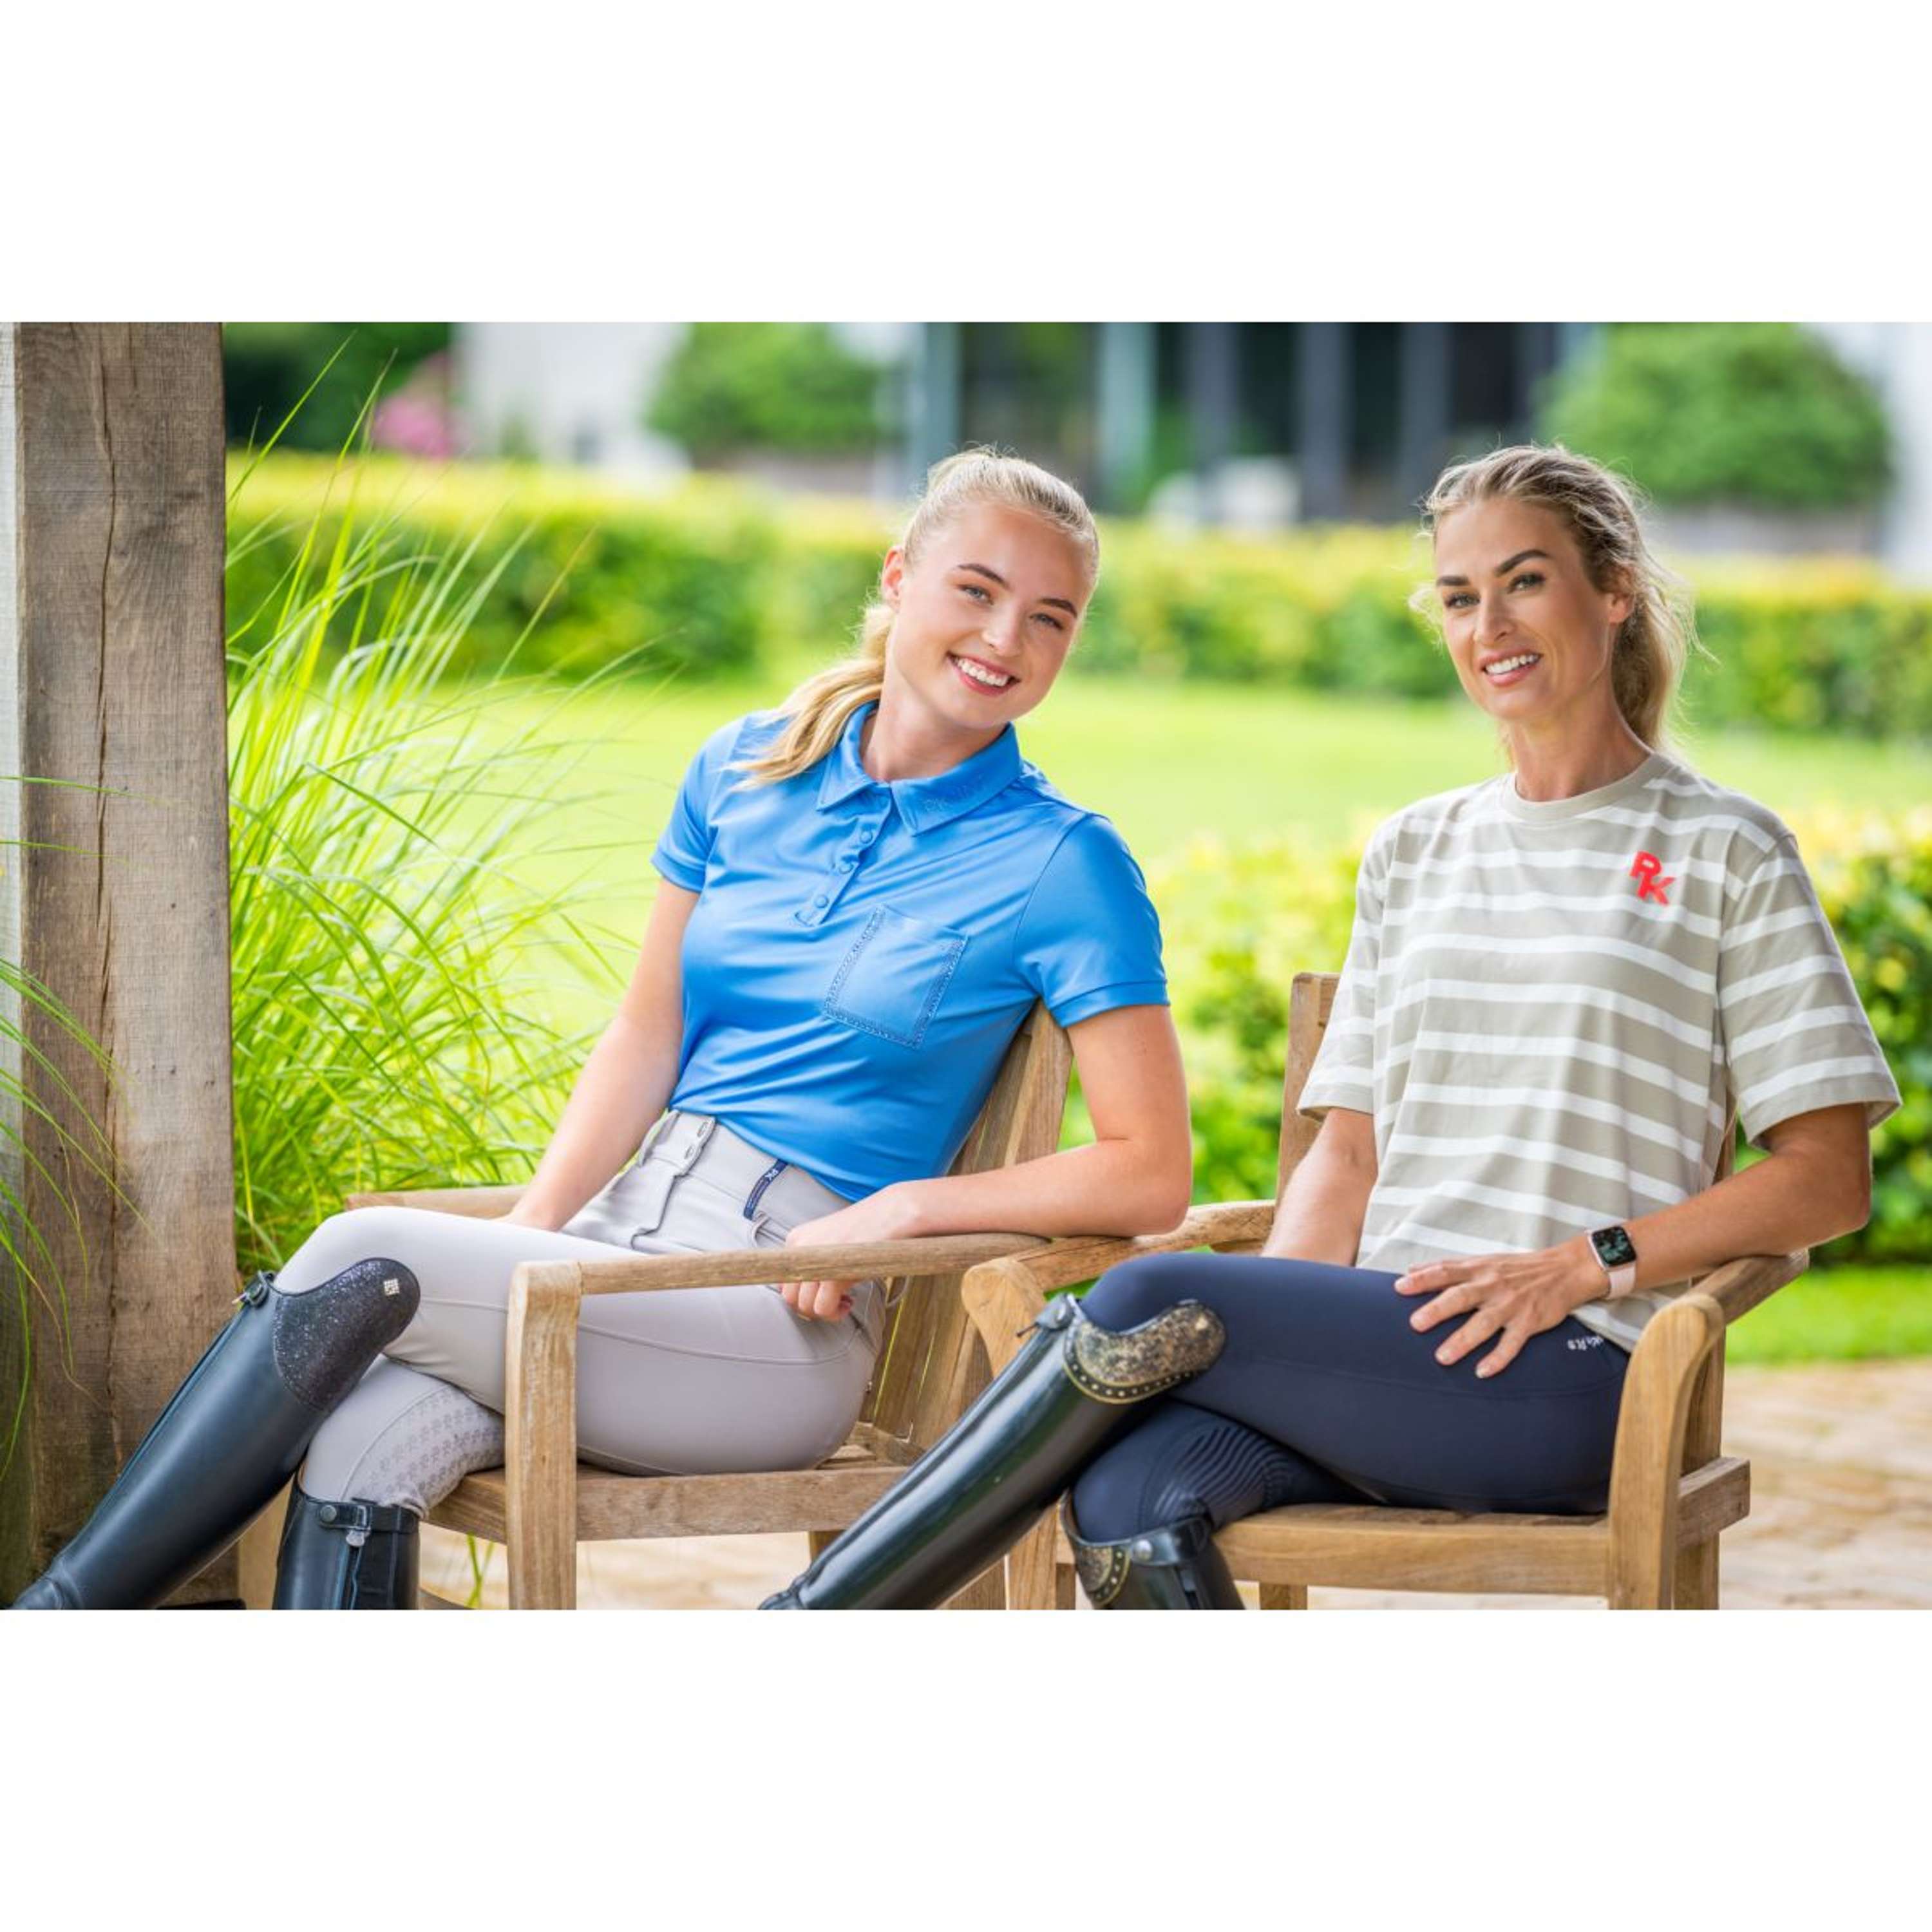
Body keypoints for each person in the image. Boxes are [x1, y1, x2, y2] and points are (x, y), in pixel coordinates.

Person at [14, 450, 1192, 1611]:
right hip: (613, 1252)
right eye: (977, 591)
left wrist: (903, 1209)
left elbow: (1149, 1171)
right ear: (899, 576)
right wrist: (533, 1239)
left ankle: (56, 1623)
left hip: (772, 1323)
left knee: (359, 1256)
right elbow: (646, 1033)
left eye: (1049, 619)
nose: (1004, 639)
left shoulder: (1064, 862)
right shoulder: (746, 768)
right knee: (362, 1444)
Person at [765, 442, 1901, 1611]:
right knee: (1128, 1500)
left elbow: (1827, 1179)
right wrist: (1267, 1342)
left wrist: (1584, 1263)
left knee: (1149, 1301)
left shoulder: (1726, 850)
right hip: (1382, 1356)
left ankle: (811, 1625)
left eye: (1524, 581)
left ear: (1614, 591)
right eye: (1459, 597)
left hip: (1574, 1372)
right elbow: (1345, 1155)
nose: (1490, 626)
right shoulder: (1416, 851)